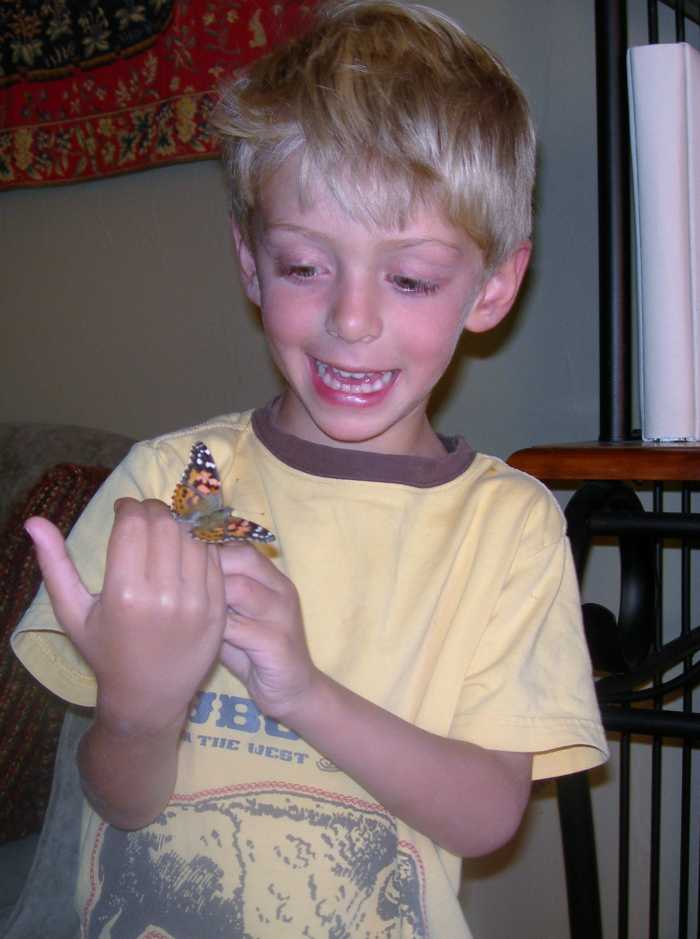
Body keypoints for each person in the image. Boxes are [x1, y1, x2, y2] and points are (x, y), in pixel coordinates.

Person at [12, 2, 608, 936]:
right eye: (303, 266)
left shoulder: (510, 528)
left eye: (409, 278)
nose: (352, 319)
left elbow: (490, 816)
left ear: (492, 288)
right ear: (250, 262)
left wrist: (303, 690)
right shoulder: (170, 483)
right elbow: (119, 804)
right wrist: (137, 709)